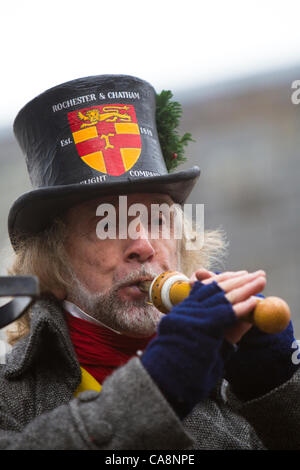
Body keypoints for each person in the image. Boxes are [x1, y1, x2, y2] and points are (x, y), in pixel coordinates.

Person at [1, 74, 299, 450]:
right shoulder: (7, 402)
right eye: (105, 223)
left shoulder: (227, 374)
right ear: (54, 266)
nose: (142, 245)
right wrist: (159, 385)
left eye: (158, 219)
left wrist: (275, 392)